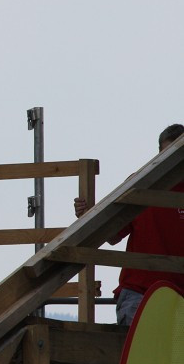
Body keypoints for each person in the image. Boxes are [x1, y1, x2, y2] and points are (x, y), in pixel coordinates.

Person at [74, 124, 184, 325]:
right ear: (158, 156)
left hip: (180, 298)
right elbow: (112, 235)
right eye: (168, 155)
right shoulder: (139, 185)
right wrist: (89, 214)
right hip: (140, 294)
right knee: (138, 355)